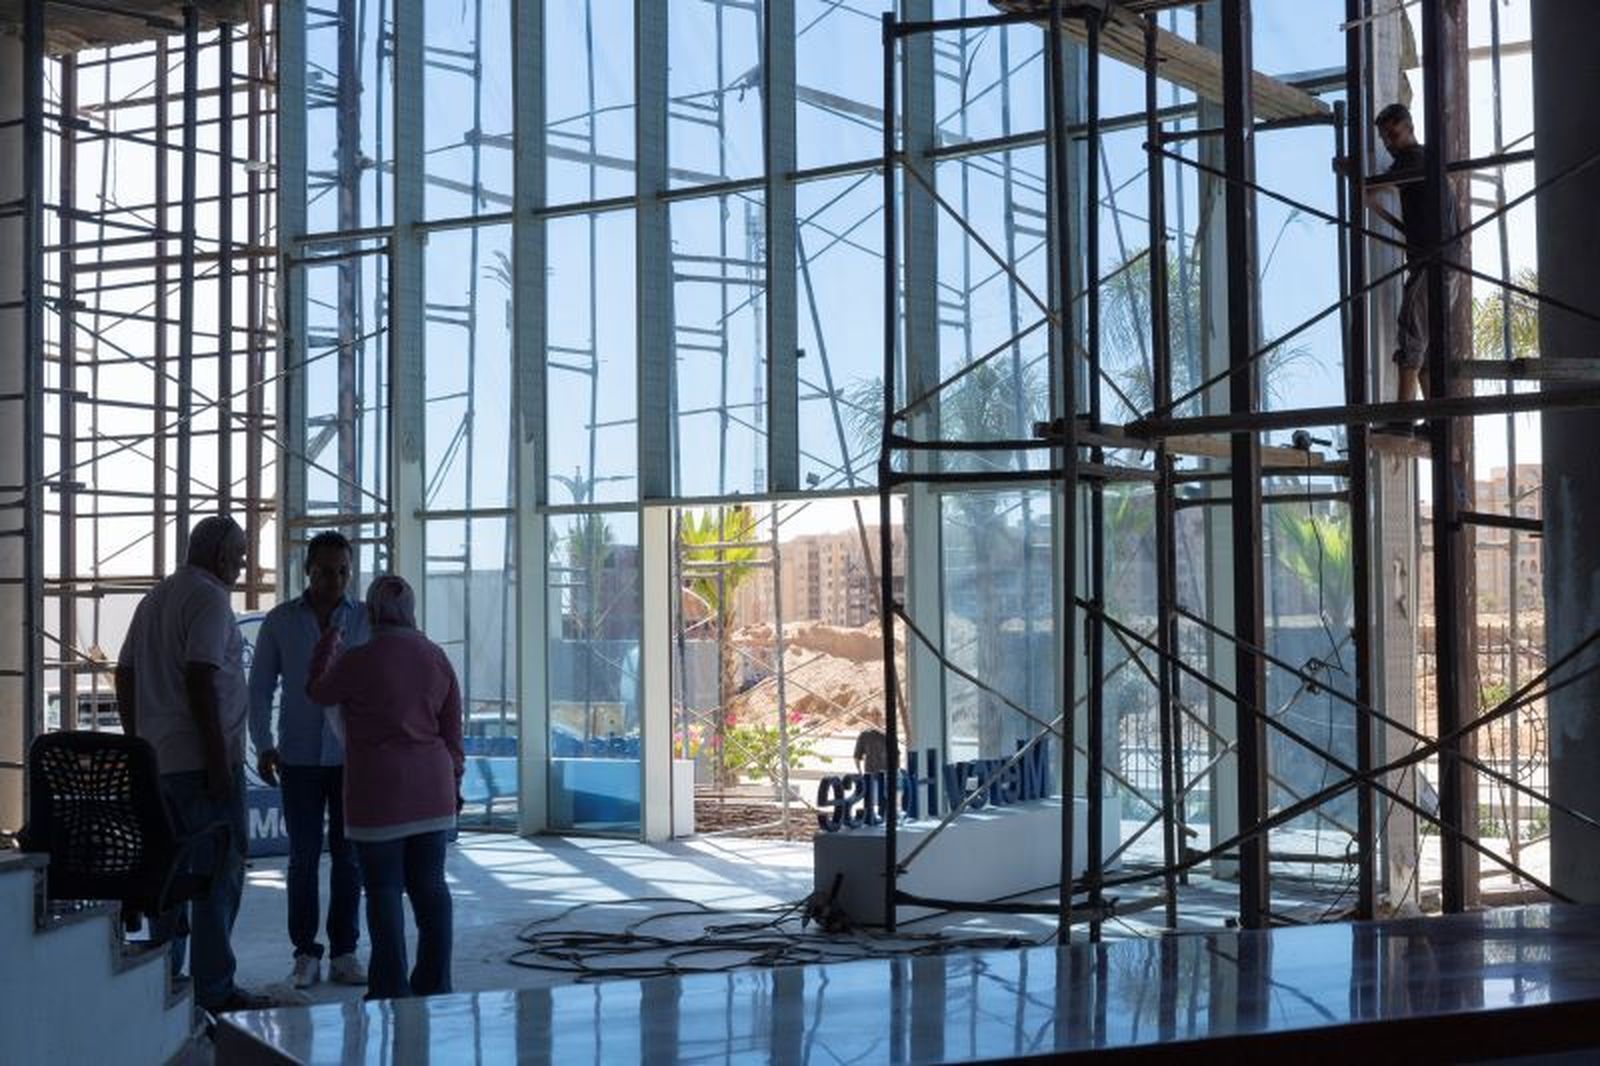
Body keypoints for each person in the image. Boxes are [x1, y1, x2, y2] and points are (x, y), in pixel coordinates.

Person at [114, 516, 275, 1014]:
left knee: (170, 873)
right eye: (241, 553)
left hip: (160, 762)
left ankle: (165, 978)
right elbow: (201, 678)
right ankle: (214, 988)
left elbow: (124, 674)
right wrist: (213, 757)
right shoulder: (208, 599)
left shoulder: (156, 598)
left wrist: (137, 743)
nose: (245, 562)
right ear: (219, 554)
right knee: (217, 876)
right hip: (201, 763)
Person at [305, 575, 464, 1000]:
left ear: (371, 611)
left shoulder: (357, 660)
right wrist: (456, 781)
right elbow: (452, 733)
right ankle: (435, 981)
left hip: (377, 794)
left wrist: (326, 644)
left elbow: (317, 692)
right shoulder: (436, 658)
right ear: (411, 609)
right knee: (431, 888)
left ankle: (390, 986)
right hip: (432, 790)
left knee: (383, 891)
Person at [248, 530, 370, 990]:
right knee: (301, 859)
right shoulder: (280, 622)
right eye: (324, 571)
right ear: (307, 571)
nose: (334, 580)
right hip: (297, 758)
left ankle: (344, 952)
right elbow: (259, 690)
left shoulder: (364, 621)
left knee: (348, 857)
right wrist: (262, 744)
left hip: (349, 758)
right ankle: (304, 952)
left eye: (342, 572)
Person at [1365, 102, 1464, 402]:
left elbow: (1374, 188)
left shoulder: (1413, 159)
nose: (1388, 143)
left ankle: (1403, 419)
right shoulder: (1424, 162)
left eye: (1392, 135)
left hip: (1433, 262)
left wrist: (1357, 179)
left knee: (1411, 336)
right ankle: (1436, 424)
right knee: (1426, 347)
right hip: (1446, 263)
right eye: (1384, 138)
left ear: (1409, 129)